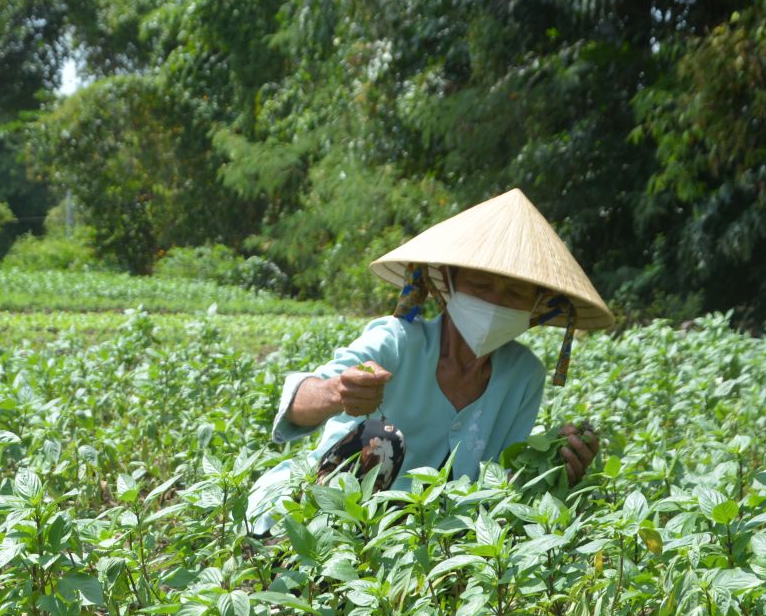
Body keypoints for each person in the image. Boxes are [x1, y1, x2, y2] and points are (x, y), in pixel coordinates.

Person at [247, 188, 611, 533]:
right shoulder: (398, 339)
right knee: (380, 440)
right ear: (446, 283)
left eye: (515, 293)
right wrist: (337, 392)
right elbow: (298, 401)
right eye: (482, 284)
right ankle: (296, 554)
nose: (496, 302)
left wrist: (555, 468)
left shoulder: (523, 375)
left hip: (421, 535)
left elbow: (498, 486)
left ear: (536, 307)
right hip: (308, 514)